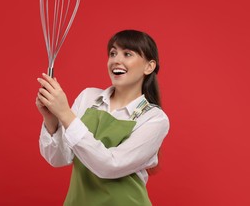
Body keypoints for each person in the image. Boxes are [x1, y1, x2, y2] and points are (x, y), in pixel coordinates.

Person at [36, 29, 170, 205]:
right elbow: (59, 158)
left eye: (127, 54)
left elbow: (110, 166)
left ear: (149, 66)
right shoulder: (88, 97)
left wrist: (65, 114)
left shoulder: (154, 118)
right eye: (113, 53)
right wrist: (51, 120)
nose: (116, 60)